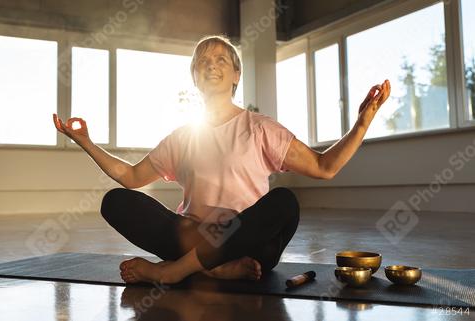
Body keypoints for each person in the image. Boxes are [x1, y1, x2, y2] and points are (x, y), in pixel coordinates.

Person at [53, 35, 391, 285]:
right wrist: (86, 142)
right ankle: (214, 266)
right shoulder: (182, 136)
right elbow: (129, 176)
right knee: (116, 201)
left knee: (285, 202)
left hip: (247, 243)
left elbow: (324, 167)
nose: (211, 65)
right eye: (202, 61)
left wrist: (362, 123)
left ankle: (175, 270)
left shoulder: (260, 128)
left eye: (220, 60)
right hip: (193, 236)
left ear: (235, 76)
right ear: (195, 78)